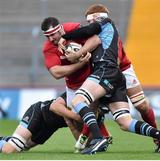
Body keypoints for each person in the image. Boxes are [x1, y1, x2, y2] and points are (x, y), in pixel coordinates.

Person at [59, 4, 160, 155]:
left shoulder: (105, 23)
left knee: (77, 101)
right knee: (124, 122)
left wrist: (65, 36)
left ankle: (98, 139)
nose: (89, 24)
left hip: (105, 70)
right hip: (115, 75)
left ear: (97, 18)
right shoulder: (104, 32)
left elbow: (89, 30)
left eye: (90, 21)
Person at [40, 17, 112, 152]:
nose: (50, 39)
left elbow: (96, 40)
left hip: (92, 79)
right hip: (72, 85)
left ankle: (99, 137)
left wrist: (79, 53)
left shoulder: (73, 28)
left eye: (52, 34)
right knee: (77, 119)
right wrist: (80, 63)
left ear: (60, 28)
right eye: (47, 36)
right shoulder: (48, 48)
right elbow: (56, 73)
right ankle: (99, 132)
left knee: (90, 112)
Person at [0, 93, 81, 153]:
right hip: (39, 113)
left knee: (23, 147)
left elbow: (80, 141)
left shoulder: (90, 111)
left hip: (50, 127)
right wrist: (77, 118)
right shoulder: (76, 95)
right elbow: (54, 106)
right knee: (10, 149)